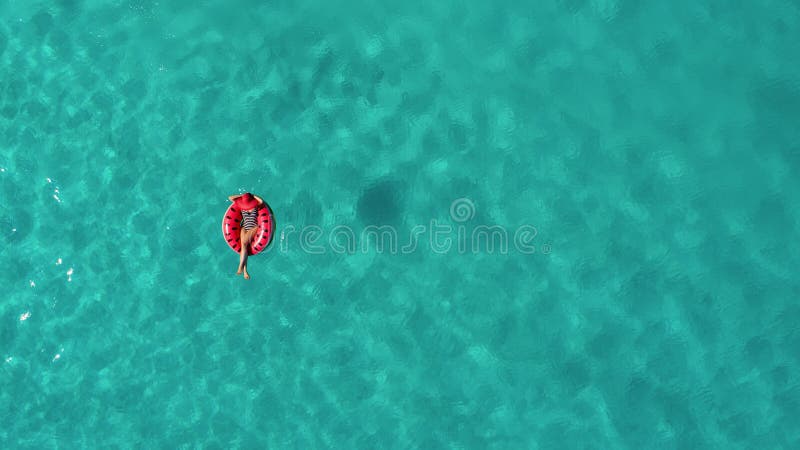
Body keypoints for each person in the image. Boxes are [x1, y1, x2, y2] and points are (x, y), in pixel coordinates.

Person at [227, 192, 264, 280]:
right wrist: (242, 197)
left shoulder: (255, 206)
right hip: (244, 227)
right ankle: (245, 271)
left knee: (244, 243)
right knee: (244, 246)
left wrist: (253, 196)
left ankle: (240, 266)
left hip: (254, 227)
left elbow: (261, 201)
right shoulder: (242, 206)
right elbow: (230, 197)